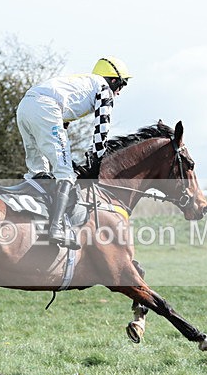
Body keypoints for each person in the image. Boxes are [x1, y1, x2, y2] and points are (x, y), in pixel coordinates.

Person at [16, 57, 131, 249]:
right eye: (122, 85)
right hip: (46, 107)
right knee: (65, 172)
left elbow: (62, 125)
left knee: (38, 171)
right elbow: (102, 129)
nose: (119, 92)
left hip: (25, 107)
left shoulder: (83, 84)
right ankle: (55, 228)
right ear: (113, 80)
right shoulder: (103, 88)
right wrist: (97, 159)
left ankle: (33, 220)